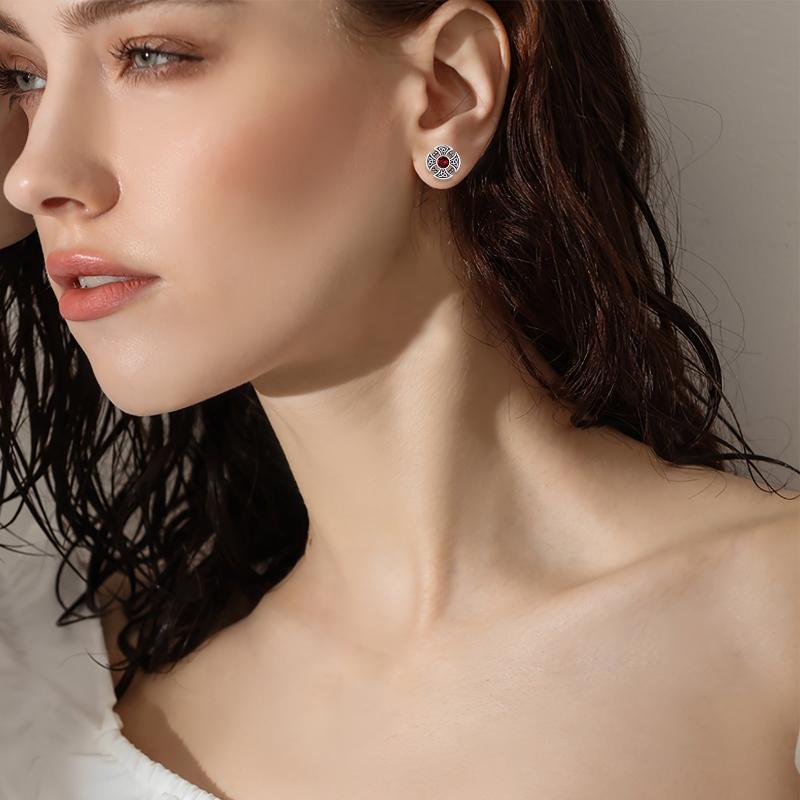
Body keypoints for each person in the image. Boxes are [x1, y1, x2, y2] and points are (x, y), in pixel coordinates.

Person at [0, 1, 797, 798]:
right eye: (22, 77)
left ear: (447, 90)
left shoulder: (775, 622)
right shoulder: (55, 693)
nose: (33, 176)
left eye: (151, 55)